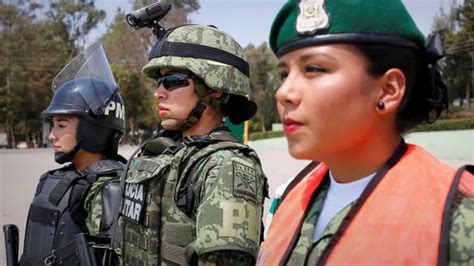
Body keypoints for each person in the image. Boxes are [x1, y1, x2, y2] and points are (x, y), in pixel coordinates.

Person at [257, 0, 474, 265]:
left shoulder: (457, 218)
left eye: (313, 69)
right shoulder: (293, 195)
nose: (283, 93)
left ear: (388, 90)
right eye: (284, 74)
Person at [120, 24, 268, 265]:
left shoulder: (226, 166)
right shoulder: (167, 152)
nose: (159, 92)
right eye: (158, 82)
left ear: (214, 88)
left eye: (172, 81)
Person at [19, 43, 127, 265]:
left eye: (61, 124)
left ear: (92, 128)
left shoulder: (109, 189)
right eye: (53, 125)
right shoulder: (53, 180)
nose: (51, 135)